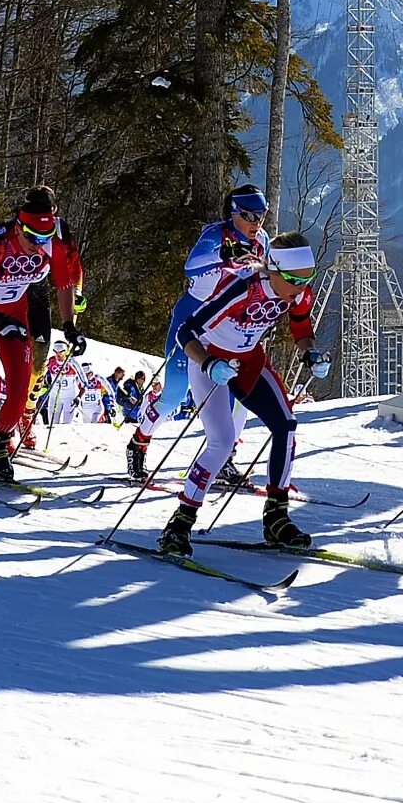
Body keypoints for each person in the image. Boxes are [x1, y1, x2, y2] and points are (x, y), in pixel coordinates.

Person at [157, 232, 321, 558]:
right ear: (273, 269)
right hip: (209, 357)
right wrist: (208, 365)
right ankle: (179, 523)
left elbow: (301, 325)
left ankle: (276, 515)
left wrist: (310, 353)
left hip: (247, 360)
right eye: (293, 280)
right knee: (222, 441)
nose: (300, 289)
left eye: (307, 279)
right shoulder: (243, 288)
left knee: (285, 425)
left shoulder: (297, 292)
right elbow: (186, 332)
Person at [0, 185, 85, 489]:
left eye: (45, 239)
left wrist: (69, 326)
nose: (39, 246)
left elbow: (64, 286)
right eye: (33, 238)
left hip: (16, 316)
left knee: (19, 391)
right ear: (18, 228)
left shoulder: (55, 244)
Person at [140, 188, 270, 481]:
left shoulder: (262, 241)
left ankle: (226, 457)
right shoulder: (216, 235)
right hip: (192, 321)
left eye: (262, 215)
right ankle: (139, 442)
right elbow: (192, 265)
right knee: (174, 395)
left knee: (237, 396)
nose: (256, 222)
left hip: (227, 327)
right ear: (234, 213)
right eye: (249, 216)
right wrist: (225, 254)